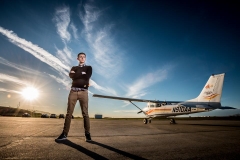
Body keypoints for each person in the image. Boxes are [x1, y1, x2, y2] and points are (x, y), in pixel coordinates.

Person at [56, 52, 92, 142]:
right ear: (77, 58)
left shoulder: (88, 68)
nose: (83, 58)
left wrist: (78, 74)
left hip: (84, 92)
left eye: (84, 57)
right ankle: (64, 134)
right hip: (73, 91)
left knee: (85, 113)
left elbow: (87, 76)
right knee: (69, 113)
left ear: (85, 58)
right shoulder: (74, 68)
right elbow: (71, 75)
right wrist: (81, 73)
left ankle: (87, 134)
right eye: (81, 57)